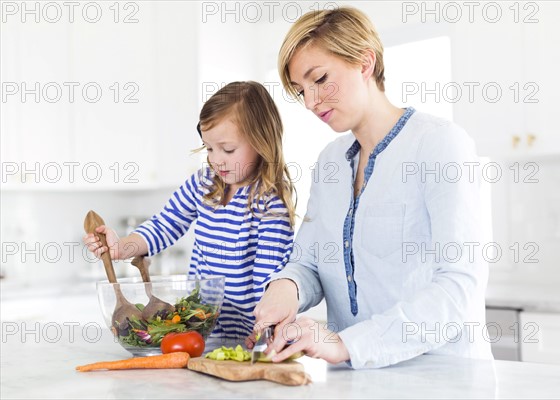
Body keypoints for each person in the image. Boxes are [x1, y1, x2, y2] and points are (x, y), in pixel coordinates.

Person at [248, 7, 493, 368]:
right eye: (301, 91)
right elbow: (310, 262)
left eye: (319, 79)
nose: (311, 102)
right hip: (354, 381)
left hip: (442, 378)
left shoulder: (441, 145)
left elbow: (459, 287)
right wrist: (289, 287)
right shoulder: (330, 162)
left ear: (365, 63)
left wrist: (347, 344)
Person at [83, 81, 296, 339]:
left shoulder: (269, 202)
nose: (216, 159)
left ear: (262, 141)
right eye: (209, 148)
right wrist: (121, 247)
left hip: (252, 336)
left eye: (227, 149)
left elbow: (270, 277)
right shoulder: (203, 184)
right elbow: (165, 225)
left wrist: (264, 332)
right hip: (202, 331)